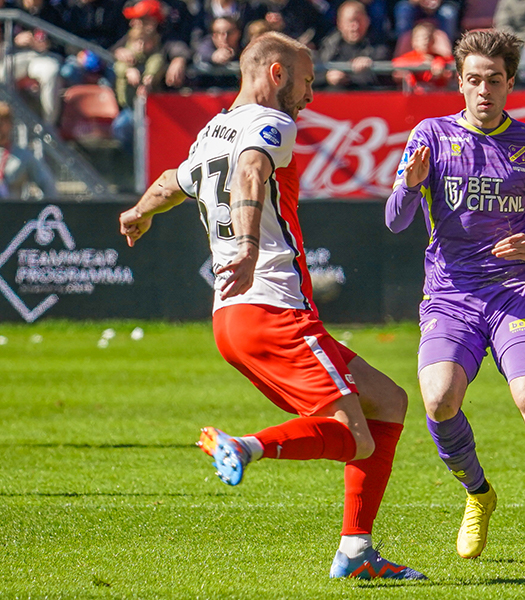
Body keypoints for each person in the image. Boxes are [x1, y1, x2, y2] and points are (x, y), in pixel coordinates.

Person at [118, 32, 426, 582]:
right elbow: (251, 172)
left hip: (233, 319)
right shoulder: (270, 123)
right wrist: (247, 248)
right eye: (307, 81)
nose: (310, 96)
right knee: (357, 436)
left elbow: (172, 181)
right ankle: (245, 446)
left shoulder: (211, 133)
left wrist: (138, 212)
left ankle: (356, 552)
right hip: (272, 309)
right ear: (277, 74)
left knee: (389, 401)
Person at [385, 29, 525, 560]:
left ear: (510, 84)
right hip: (450, 296)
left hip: (513, 292)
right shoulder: (429, 135)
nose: (483, 90)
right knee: (438, 400)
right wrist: (409, 184)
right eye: (473, 80)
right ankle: (479, 494)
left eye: (493, 80)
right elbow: (394, 221)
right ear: (459, 82)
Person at [318, 0, 392, 90]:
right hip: (332, 99)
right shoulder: (327, 46)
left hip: (366, 98)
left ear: (367, 21)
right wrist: (327, 77)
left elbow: (386, 76)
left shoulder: (378, 46)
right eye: (350, 21)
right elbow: (310, 74)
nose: (355, 27)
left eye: (359, 21)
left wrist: (369, 65)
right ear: (339, 23)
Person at [0, 102, 58, 199]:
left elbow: (47, 185)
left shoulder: (23, 156)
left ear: (10, 124)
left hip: (11, 211)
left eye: (1, 124)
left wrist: (40, 211)